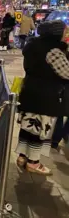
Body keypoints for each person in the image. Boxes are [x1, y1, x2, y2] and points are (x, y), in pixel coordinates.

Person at [16, 20, 69, 175]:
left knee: (29, 127)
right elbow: (66, 73)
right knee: (40, 129)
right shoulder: (53, 51)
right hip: (46, 96)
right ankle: (33, 162)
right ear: (56, 33)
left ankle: (22, 156)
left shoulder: (33, 46)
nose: (65, 34)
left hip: (30, 92)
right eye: (64, 31)